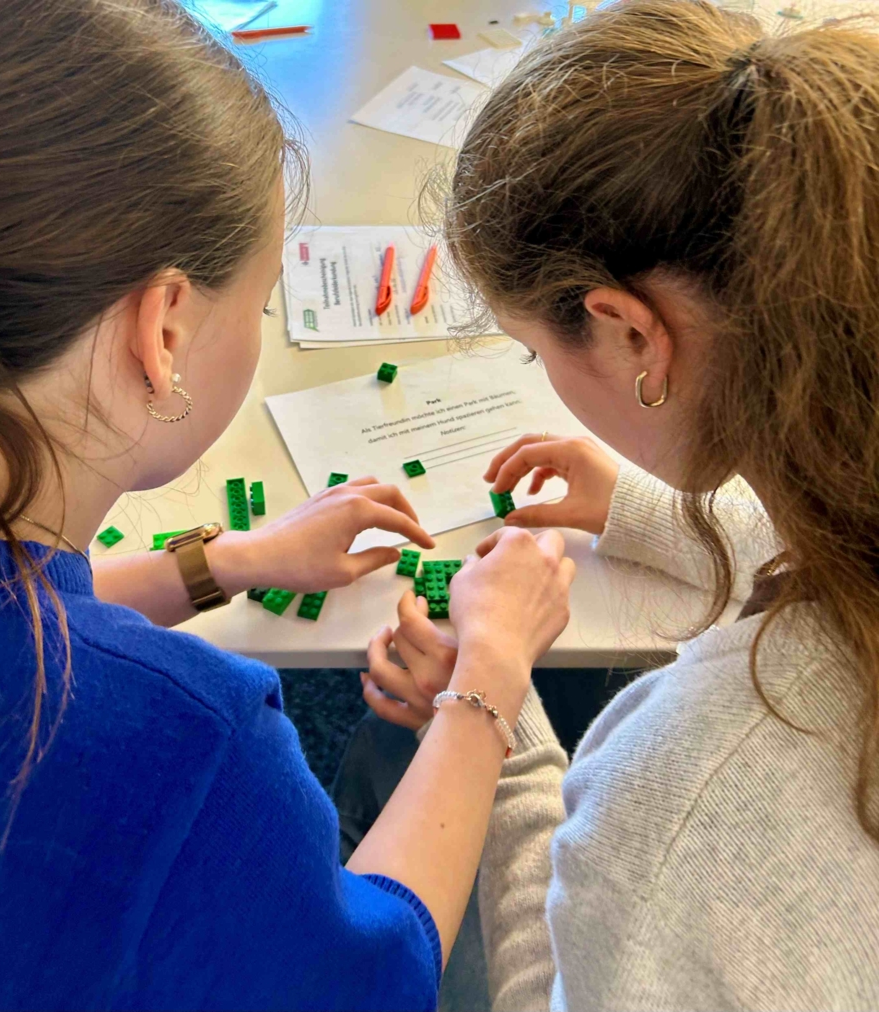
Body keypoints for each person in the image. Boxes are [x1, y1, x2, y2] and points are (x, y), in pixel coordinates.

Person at [0, 1, 577, 1008]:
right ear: (163, 328)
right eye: (260, 300)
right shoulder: (191, 738)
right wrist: (488, 678)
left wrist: (227, 562)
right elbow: (376, 968)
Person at [360, 1, 879, 1008]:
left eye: (532, 351)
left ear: (630, 335)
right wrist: (640, 507)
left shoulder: (680, 783)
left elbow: (556, 986)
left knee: (380, 744)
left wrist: (494, 711)